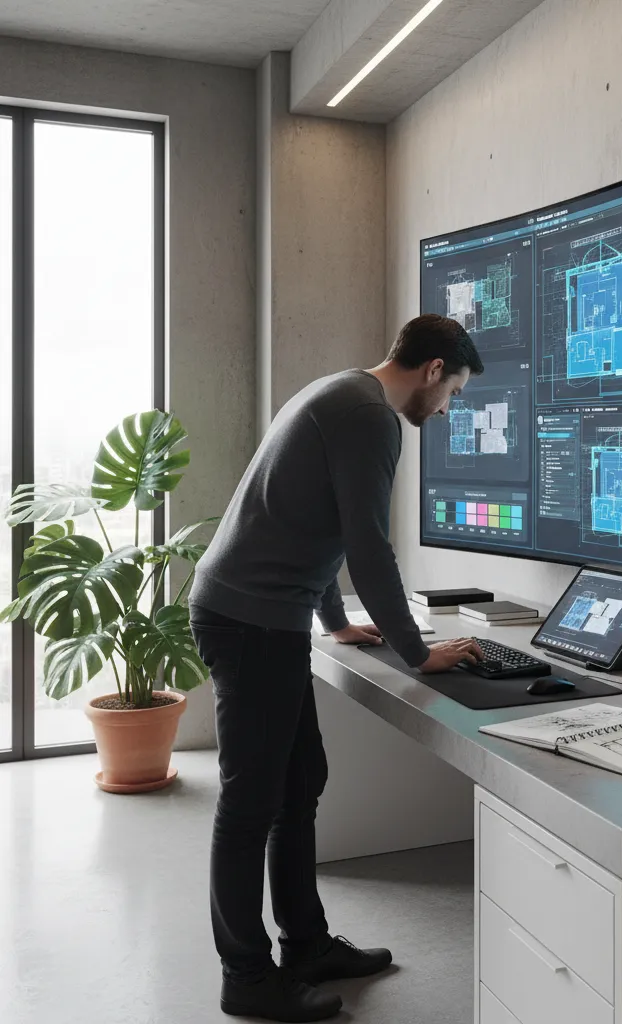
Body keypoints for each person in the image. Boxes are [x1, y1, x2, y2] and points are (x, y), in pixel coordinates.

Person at [189, 314, 486, 1022]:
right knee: (251, 801)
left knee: (298, 784)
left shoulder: (341, 393)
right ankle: (248, 978)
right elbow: (366, 543)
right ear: (434, 370)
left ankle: (308, 945)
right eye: (454, 394)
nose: (446, 412)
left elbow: (305, 518)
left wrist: (333, 620)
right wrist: (417, 652)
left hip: (267, 615)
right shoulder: (371, 419)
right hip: (250, 619)